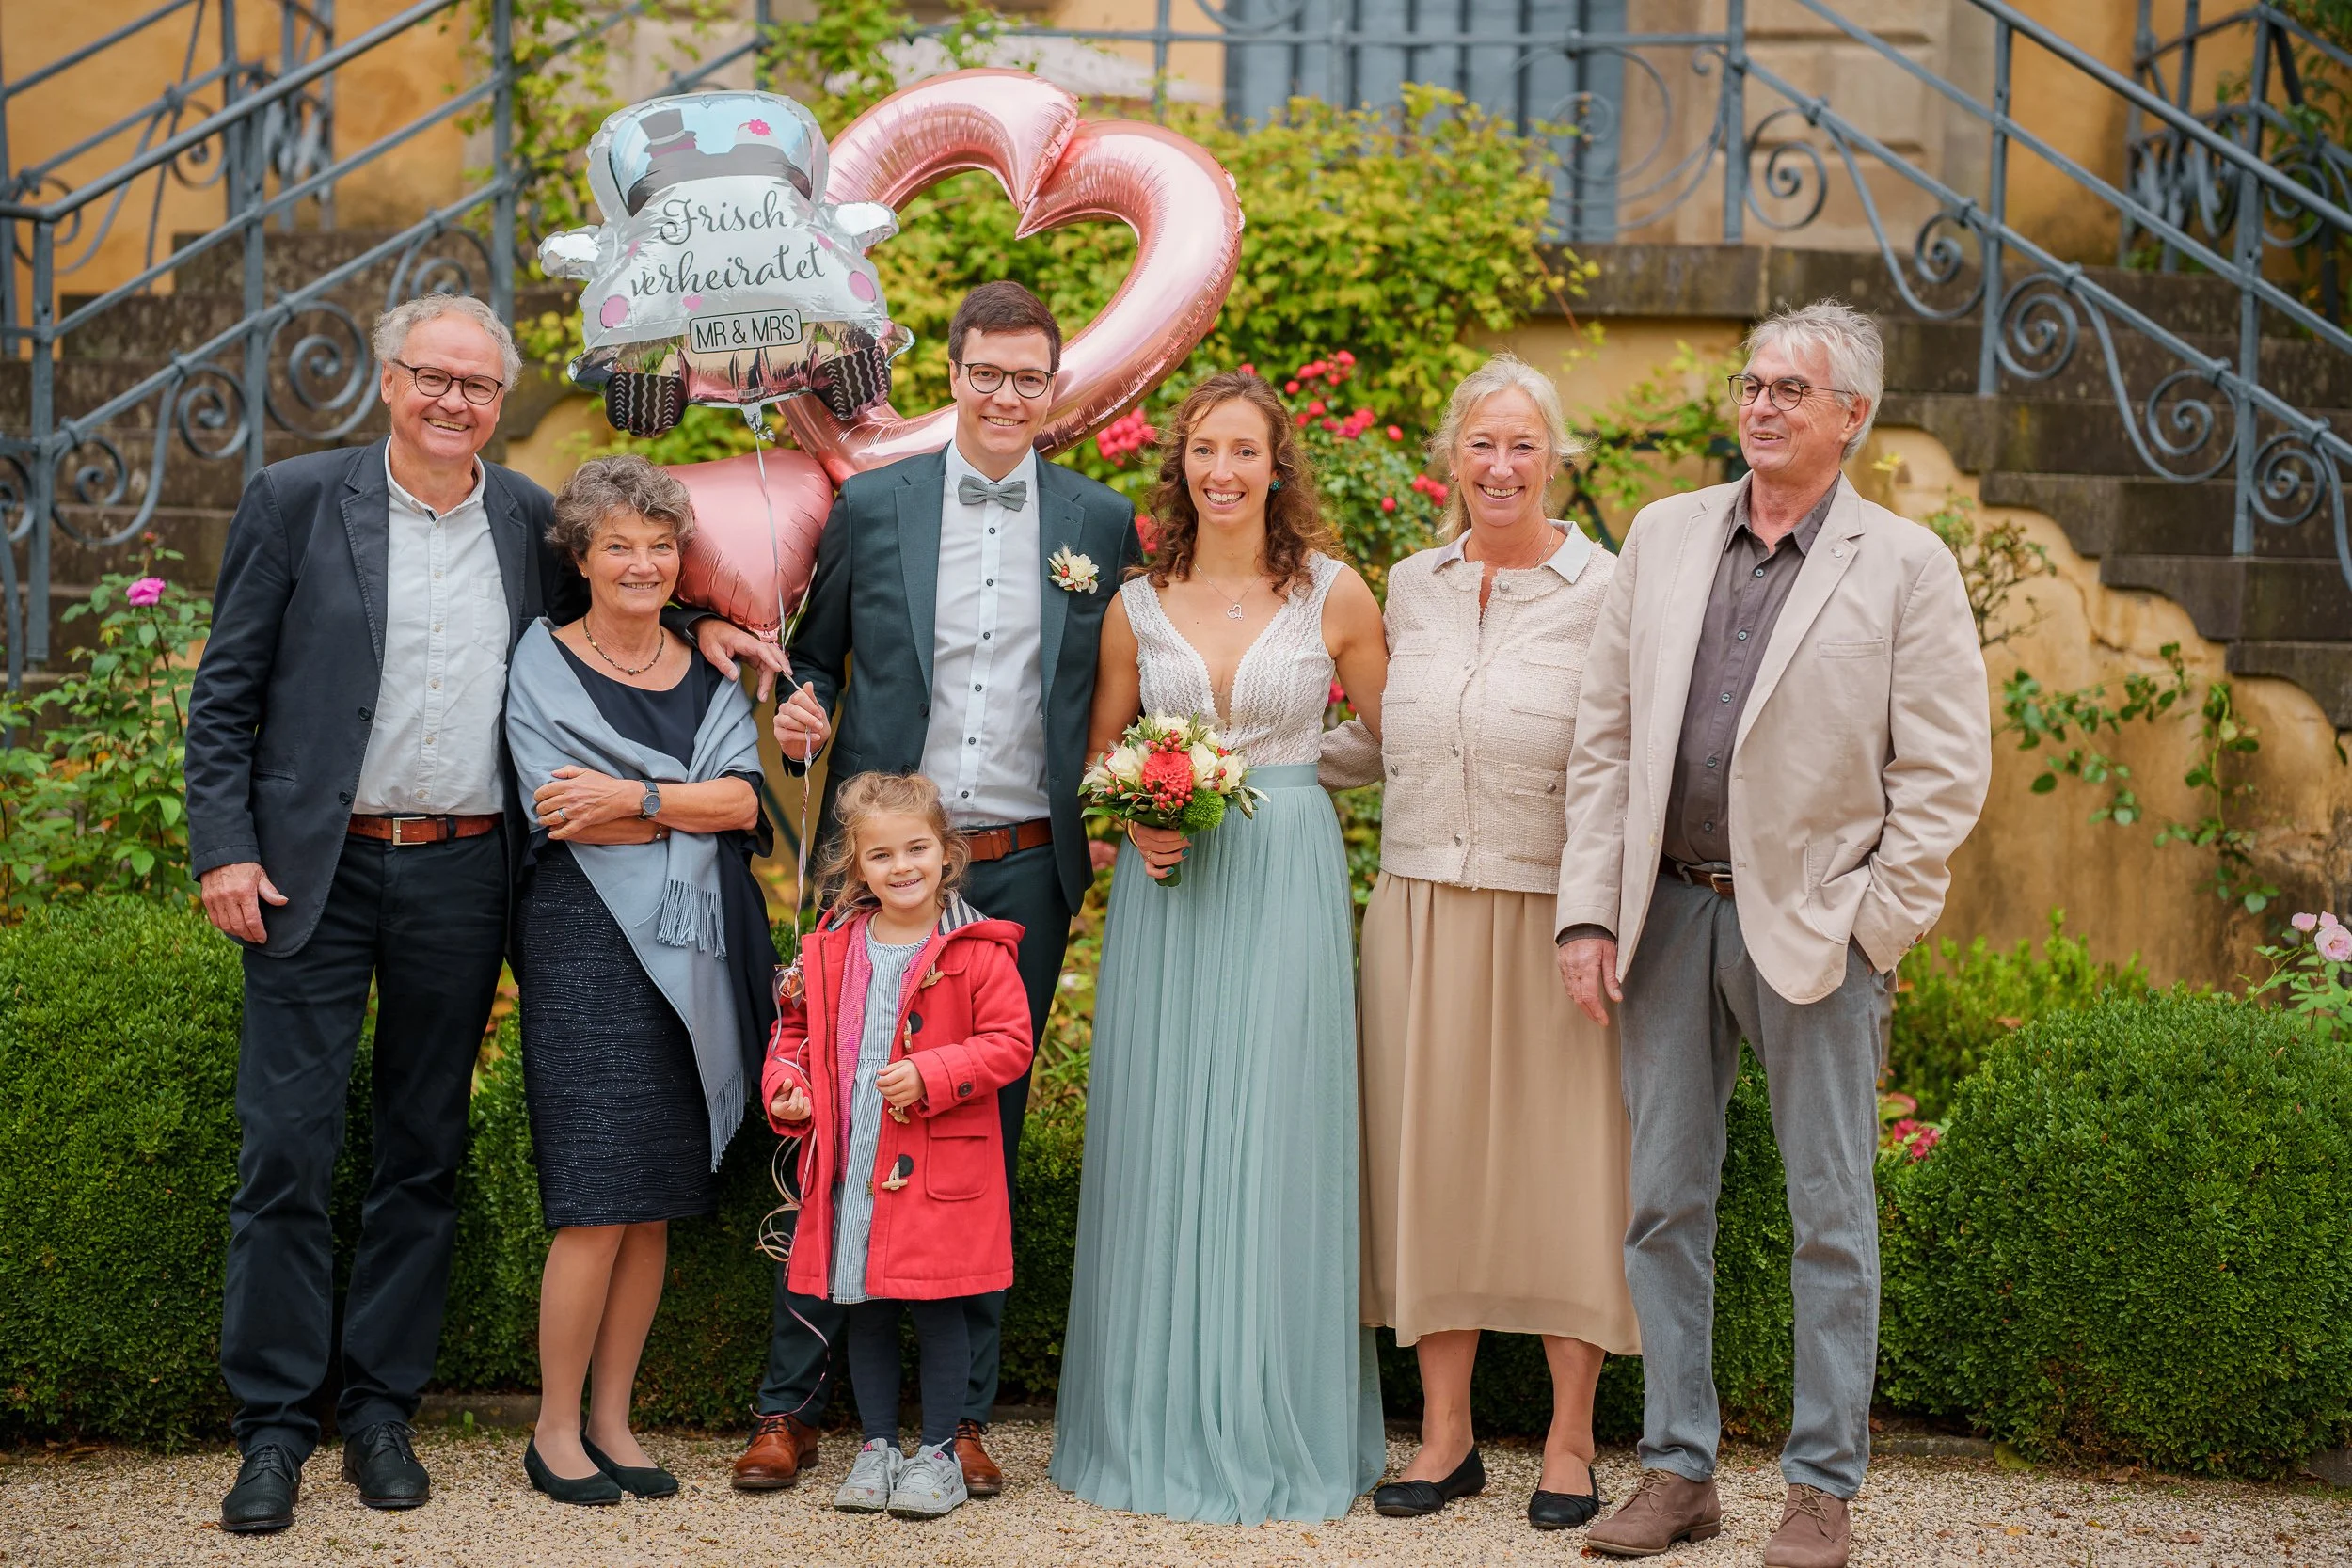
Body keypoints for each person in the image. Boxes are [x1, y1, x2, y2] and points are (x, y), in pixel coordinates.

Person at [184, 293, 782, 1536]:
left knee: (424, 1146)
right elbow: (225, 691)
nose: (453, 400)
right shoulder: (296, 500)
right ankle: (275, 1426)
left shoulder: (523, 515)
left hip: (462, 870)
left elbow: (628, 590)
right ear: (389, 380)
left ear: (497, 403)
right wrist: (225, 849)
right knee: (285, 1148)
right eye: (432, 378)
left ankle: (382, 1407)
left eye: (476, 385)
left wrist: (709, 623)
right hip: (313, 867)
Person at [1557, 302, 1991, 1567]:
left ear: (1850, 414)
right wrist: (1590, 910)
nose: (1762, 405)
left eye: (1793, 389)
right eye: (1754, 383)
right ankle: (1678, 1469)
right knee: (1662, 1204)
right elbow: (1605, 740)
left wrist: (1877, 924)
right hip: (1668, 913)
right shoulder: (1663, 533)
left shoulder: (1904, 563)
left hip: (1813, 933)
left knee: (1830, 1213)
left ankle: (1820, 1487)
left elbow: (1946, 772)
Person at [748, 280, 1142, 1495]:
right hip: (883, 864)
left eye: (1031, 376)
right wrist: (801, 704)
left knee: (980, 1133)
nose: (1009, 393)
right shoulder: (873, 503)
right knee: (836, 1124)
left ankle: (962, 1416)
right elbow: (810, 661)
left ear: (1053, 386)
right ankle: (791, 1403)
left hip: (1021, 863)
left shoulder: (1101, 520)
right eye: (989, 371)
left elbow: (1130, 681)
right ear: (956, 374)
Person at [1049, 371, 1391, 1524]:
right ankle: (1150, 1413)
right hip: (1171, 882)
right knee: (1167, 1124)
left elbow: (1396, 740)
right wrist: (1141, 807)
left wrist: (1282, 785)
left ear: (1277, 464)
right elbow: (1100, 756)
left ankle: (1274, 1406)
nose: (1224, 470)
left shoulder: (1338, 596)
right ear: (1182, 464)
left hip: (1286, 871)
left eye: (1244, 450)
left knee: (1279, 1122)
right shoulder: (1137, 603)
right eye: (1205, 449)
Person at [1329, 355, 1639, 1532]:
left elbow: (1627, 764)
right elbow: (1377, 740)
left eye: (1523, 446)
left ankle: (1570, 1439)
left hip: (1559, 917)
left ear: (1554, 458)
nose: (1500, 466)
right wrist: (1221, 772)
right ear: (1449, 459)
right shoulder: (1406, 583)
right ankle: (1446, 1434)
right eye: (1480, 445)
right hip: (1416, 908)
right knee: (1431, 1164)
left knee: (1570, 1170)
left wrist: (1601, 911)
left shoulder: (1607, 589)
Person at [501, 454, 777, 1505]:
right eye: (619, 543)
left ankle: (615, 1418)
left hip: (690, 948)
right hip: (582, 933)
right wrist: (681, 800)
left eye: (661, 546)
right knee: (594, 1198)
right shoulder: (539, 662)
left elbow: (747, 803)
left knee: (655, 1198)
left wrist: (636, 796)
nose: (642, 562)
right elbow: (554, 806)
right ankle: (554, 1427)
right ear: (580, 552)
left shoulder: (703, 669)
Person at [762, 772, 1036, 1522]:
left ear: (947, 854)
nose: (902, 865)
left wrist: (933, 1070)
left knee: (941, 1311)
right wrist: (789, 1089)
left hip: (936, 1170)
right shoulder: (831, 946)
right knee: (869, 1310)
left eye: (917, 847)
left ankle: (940, 1451)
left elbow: (1011, 1044)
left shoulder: (977, 949)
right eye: (880, 855)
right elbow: (794, 1035)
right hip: (854, 1166)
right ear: (857, 868)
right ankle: (879, 1447)